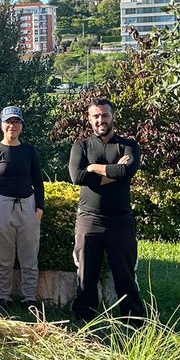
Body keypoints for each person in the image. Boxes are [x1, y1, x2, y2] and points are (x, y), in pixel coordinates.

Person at [68, 97, 144, 326]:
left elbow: (127, 172)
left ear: (113, 117)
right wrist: (114, 171)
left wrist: (94, 168)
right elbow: (77, 177)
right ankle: (84, 320)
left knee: (125, 274)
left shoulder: (129, 144)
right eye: (96, 116)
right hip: (89, 219)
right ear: (89, 119)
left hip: (120, 220)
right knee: (86, 274)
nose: (101, 119)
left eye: (105, 115)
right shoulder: (81, 145)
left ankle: (134, 322)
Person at [0, 105, 44, 311]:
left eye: (17, 122)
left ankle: (29, 298)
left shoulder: (29, 151)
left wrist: (39, 209)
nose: (13, 126)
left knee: (29, 256)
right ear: (1, 125)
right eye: (9, 122)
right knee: (3, 256)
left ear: (22, 126)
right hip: (2, 205)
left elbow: (38, 181)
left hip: (28, 205)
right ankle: (4, 296)